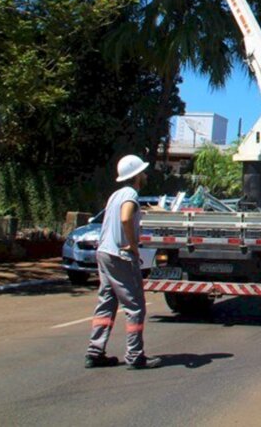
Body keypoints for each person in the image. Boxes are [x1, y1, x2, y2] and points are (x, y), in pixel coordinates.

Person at [84, 154, 159, 370]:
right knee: (135, 307)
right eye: (142, 172)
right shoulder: (130, 194)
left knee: (106, 303)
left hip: (104, 253)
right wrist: (133, 244)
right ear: (136, 176)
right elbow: (126, 217)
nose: (145, 175)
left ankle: (94, 351)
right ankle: (135, 356)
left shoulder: (115, 194)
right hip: (120, 256)